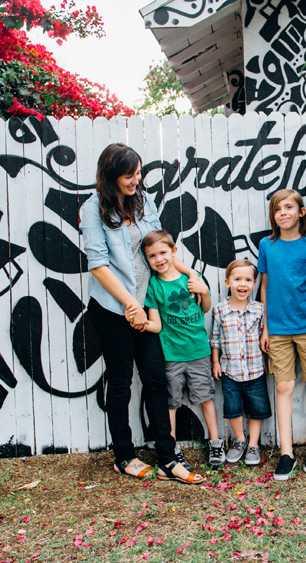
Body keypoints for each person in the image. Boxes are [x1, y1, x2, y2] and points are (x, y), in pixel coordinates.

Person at [79, 143, 204, 485]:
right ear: (110, 176)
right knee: (120, 382)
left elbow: (158, 246)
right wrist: (128, 305)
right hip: (111, 309)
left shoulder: (143, 201)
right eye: (129, 174)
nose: (136, 179)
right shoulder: (93, 209)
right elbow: (98, 264)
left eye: (138, 173)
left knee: (155, 379)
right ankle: (125, 456)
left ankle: (167, 456)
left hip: (147, 308)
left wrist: (189, 272)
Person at [257, 189, 306, 480]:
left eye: (288, 207)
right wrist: (265, 327)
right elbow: (263, 287)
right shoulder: (267, 245)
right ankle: (286, 451)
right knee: (283, 387)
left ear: (301, 212)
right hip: (277, 330)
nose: (283, 213)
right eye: (277, 209)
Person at [140, 230, 225, 468]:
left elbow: (206, 307)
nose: (159, 259)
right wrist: (141, 322)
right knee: (171, 403)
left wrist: (204, 290)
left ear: (174, 252)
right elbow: (156, 325)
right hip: (172, 355)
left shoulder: (191, 278)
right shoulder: (154, 287)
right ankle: (173, 447)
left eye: (163, 253)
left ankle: (215, 443)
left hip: (198, 352)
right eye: (152, 256)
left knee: (206, 397)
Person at [211, 259, 271, 466]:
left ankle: (254, 443)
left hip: (255, 370)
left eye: (248, 279)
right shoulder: (219, 310)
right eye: (237, 279)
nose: (242, 284)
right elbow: (215, 338)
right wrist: (216, 362)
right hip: (229, 370)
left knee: (256, 408)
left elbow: (266, 335)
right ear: (228, 282)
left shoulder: (259, 309)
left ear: (254, 284)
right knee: (233, 409)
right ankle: (240, 440)